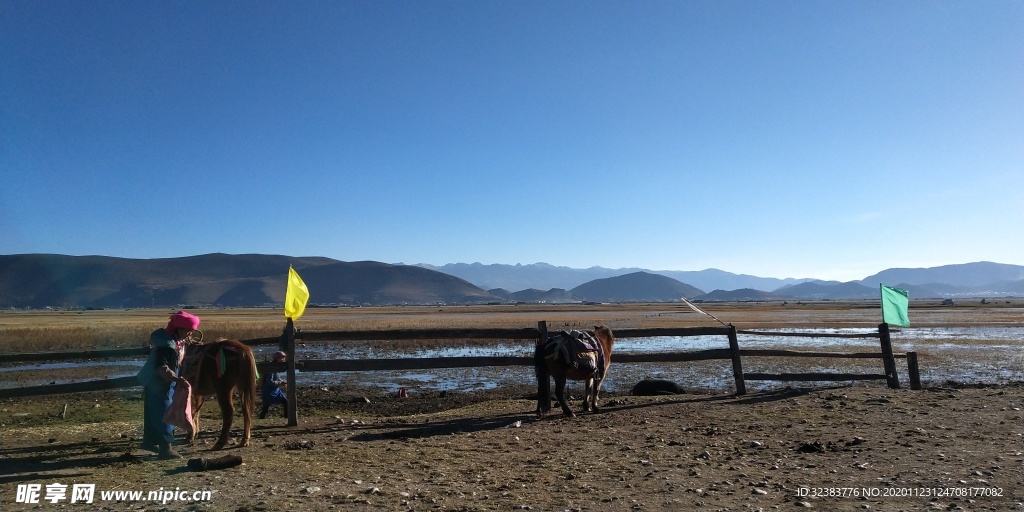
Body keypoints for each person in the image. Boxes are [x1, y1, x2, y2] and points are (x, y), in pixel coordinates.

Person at [136, 310, 199, 459]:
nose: (189, 334)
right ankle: (166, 449)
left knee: (156, 413)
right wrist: (177, 379)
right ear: (180, 329)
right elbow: (161, 367)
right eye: (188, 331)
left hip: (164, 383)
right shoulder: (166, 345)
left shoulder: (176, 341)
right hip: (159, 384)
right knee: (165, 413)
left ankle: (150, 443)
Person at [260, 351, 288, 419]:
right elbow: (270, 381)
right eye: (282, 358)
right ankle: (262, 417)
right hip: (269, 390)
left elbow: (277, 378)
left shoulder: (277, 366)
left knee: (285, 401)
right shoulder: (271, 368)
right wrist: (280, 383)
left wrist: (282, 381)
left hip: (275, 390)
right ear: (278, 358)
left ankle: (286, 416)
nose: (284, 360)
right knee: (266, 406)